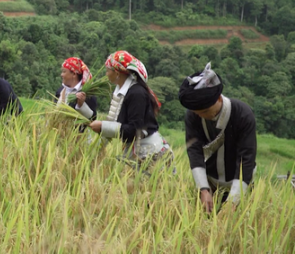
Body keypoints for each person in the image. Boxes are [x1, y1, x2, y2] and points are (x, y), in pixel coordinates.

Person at [178, 62, 257, 213]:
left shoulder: (242, 114)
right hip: (210, 182)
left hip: (239, 183)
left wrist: (233, 201)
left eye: (206, 111)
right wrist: (203, 189)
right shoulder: (193, 116)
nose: (202, 116)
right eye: (197, 112)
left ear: (219, 99)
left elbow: (246, 160)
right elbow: (194, 151)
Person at [89, 51, 173, 169]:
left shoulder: (136, 94)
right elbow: (115, 121)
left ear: (117, 73)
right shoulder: (121, 90)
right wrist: (98, 146)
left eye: (108, 70)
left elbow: (134, 130)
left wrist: (103, 127)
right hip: (135, 151)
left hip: (150, 153)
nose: (106, 74)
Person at [55, 57, 97, 131]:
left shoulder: (86, 94)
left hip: (77, 138)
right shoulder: (60, 91)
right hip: (57, 135)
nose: (61, 75)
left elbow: (92, 119)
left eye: (64, 72)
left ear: (74, 74)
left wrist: (81, 105)